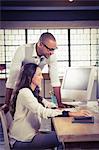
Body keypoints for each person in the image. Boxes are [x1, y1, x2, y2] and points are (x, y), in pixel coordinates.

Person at [9, 63, 92, 150]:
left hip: (29, 136)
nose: (42, 77)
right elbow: (42, 112)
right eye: (39, 75)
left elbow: (47, 104)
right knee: (63, 137)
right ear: (30, 77)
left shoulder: (32, 92)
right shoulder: (25, 92)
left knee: (61, 135)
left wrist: (59, 109)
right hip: (21, 141)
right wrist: (70, 113)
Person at [5, 32, 72, 112]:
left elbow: (55, 81)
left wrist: (59, 103)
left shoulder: (51, 55)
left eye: (54, 49)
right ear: (40, 44)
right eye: (50, 49)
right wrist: (7, 103)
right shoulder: (23, 50)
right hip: (20, 89)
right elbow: (12, 79)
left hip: (34, 89)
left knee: (35, 113)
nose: (52, 52)